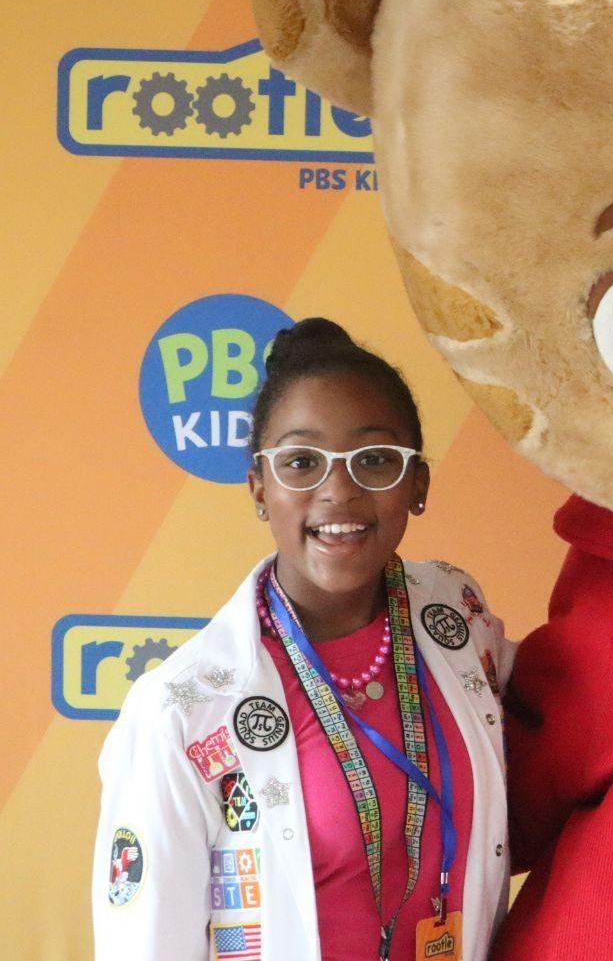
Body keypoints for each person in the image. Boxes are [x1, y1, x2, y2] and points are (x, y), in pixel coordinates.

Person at [92, 318, 513, 960]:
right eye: (301, 462)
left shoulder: (457, 613)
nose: (338, 491)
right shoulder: (183, 709)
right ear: (259, 486)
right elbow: (144, 946)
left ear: (418, 484)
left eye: (373, 459)